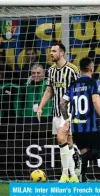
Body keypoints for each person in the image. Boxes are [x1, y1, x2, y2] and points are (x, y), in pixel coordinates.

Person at [60, 57, 100, 182]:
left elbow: (62, 103)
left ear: (80, 70)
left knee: (84, 151)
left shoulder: (73, 85)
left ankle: (82, 178)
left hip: (76, 126)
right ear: (91, 68)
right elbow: (95, 100)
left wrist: (67, 120)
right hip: (90, 125)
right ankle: (79, 159)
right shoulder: (94, 83)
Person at [37, 42, 80, 183]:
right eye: (51, 51)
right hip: (56, 112)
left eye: (54, 51)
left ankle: (64, 174)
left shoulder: (72, 70)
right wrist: (41, 107)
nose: (51, 53)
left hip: (69, 112)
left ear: (62, 53)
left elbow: (81, 90)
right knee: (67, 142)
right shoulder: (51, 70)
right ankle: (73, 175)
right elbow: (49, 90)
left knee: (61, 139)